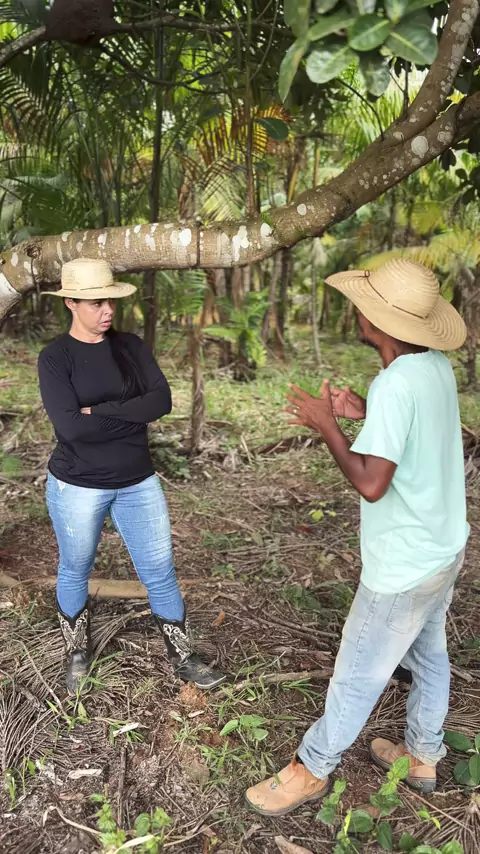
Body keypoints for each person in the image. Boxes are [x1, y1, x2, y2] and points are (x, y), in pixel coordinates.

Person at [246, 259, 469, 815]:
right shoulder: (434, 366)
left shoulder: (395, 383)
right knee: (429, 653)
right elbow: (414, 436)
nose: (356, 311)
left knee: (358, 671)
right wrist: (362, 413)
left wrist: (327, 424)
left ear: (380, 322)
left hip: (404, 564)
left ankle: (311, 769)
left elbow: (372, 483)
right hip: (444, 546)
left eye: (363, 306)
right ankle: (423, 756)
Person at [38, 258, 226, 694]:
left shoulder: (130, 347)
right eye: (97, 303)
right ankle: (77, 654)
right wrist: (127, 416)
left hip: (137, 481)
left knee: (159, 570)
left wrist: (98, 411)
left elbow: (161, 401)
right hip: (77, 484)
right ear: (71, 303)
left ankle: (183, 657)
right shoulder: (55, 358)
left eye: (111, 301)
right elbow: (70, 428)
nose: (108, 310)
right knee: (75, 568)